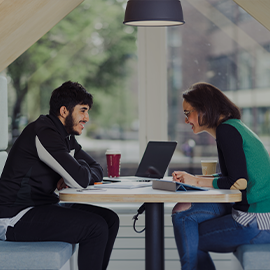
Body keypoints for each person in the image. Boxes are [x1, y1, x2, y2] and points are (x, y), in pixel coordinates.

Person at [0, 81, 119, 270]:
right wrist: (74, 172)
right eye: (83, 111)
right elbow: (80, 179)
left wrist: (74, 171)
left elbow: (97, 169)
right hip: (14, 216)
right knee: (95, 227)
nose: (87, 118)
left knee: (110, 219)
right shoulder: (44, 132)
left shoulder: (66, 136)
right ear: (64, 111)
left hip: (42, 206)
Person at [171, 82, 270, 270]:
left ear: (204, 108)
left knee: (190, 234)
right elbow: (235, 175)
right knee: (184, 214)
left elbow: (238, 182)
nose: (186, 120)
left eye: (187, 113)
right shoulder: (233, 127)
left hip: (257, 223)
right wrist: (194, 179)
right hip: (260, 217)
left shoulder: (226, 131)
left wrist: (195, 180)